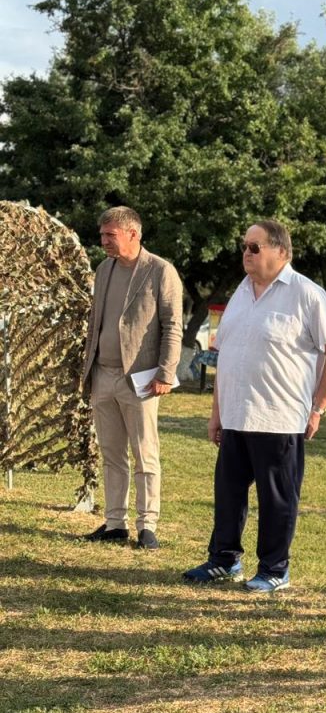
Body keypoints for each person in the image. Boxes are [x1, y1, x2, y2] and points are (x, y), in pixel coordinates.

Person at [183, 219, 326, 592]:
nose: (246, 253)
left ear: (282, 252)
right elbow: (226, 357)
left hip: (279, 417)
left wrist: (318, 408)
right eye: (244, 246)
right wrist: (216, 414)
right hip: (236, 415)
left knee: (277, 499)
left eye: (255, 247)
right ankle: (224, 560)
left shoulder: (307, 294)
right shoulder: (240, 293)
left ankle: (274, 569)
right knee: (228, 495)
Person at [82, 206, 183, 550]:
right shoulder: (103, 269)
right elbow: (96, 321)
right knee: (112, 453)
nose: (104, 241)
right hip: (102, 374)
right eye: (102, 235)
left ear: (133, 234)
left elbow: (173, 326)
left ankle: (147, 525)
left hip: (141, 379)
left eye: (110, 235)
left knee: (145, 453)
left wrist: (166, 372)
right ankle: (115, 524)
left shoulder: (161, 271)